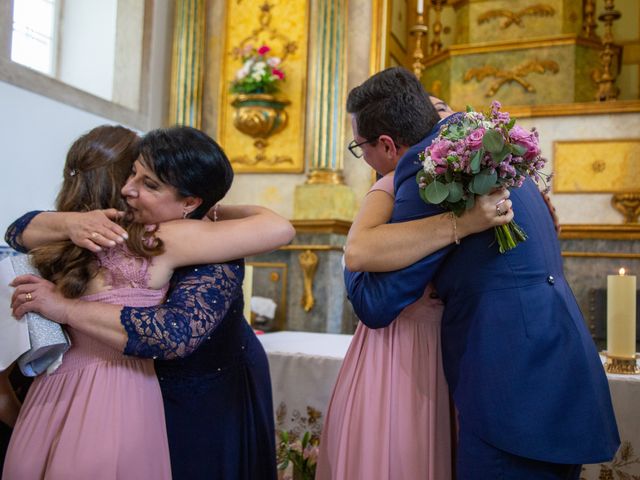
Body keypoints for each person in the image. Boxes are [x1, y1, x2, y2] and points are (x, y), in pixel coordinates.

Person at [343, 67, 620, 479]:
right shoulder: (497, 150)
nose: (361, 157)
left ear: (385, 144)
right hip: (560, 365)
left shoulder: (430, 171)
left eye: (358, 146)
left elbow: (375, 300)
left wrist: (362, 230)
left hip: (509, 392)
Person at [5, 125, 295, 479]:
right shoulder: (107, 230)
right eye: (131, 174)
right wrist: (72, 223)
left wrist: (210, 209)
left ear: (190, 201)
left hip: (204, 389)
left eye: (150, 184)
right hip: (111, 390)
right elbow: (16, 230)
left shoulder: (172, 237)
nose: (129, 190)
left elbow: (174, 332)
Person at [316, 95, 515, 479]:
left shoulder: (455, 184)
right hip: (398, 342)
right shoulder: (389, 186)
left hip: (445, 339)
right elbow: (357, 254)